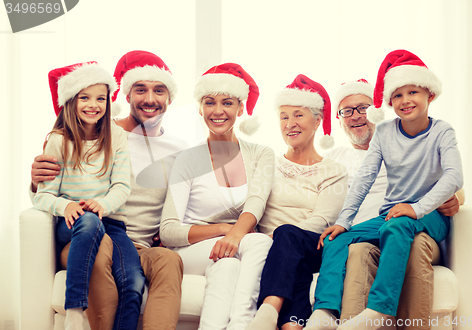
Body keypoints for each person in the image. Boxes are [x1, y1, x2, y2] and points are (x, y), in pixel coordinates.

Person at [307, 49, 464, 330]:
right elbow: (366, 178)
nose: (406, 100)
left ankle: (379, 310)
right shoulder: (384, 133)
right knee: (336, 239)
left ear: (430, 95)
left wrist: (416, 208)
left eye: (413, 92)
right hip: (391, 216)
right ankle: (324, 312)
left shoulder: (442, 131)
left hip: (429, 217)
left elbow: (454, 177)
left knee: (399, 224)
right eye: (398, 95)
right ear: (390, 102)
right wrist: (343, 222)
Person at [30, 50, 188, 330]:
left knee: (168, 260)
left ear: (170, 98)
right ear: (125, 95)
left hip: (137, 244)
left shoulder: (179, 150)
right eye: (140, 89)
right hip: (90, 234)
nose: (150, 99)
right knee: (99, 241)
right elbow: (48, 188)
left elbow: (183, 204)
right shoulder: (100, 131)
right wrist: (35, 182)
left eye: (159, 90)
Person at [160, 63, 275, 330]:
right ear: (200, 109)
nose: (218, 111)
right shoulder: (187, 159)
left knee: (231, 265)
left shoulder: (261, 154)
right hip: (188, 249)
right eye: (210, 102)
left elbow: (256, 201)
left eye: (228, 102)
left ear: (241, 108)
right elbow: (168, 230)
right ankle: (244, 324)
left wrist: (234, 236)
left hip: (231, 249)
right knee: (251, 246)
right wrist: (226, 230)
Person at [33, 62, 133, 330]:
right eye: (84, 98)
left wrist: (102, 204)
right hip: (74, 224)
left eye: (101, 98)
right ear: (70, 101)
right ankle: (75, 309)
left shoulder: (117, 137)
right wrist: (66, 206)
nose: (93, 104)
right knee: (88, 220)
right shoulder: (58, 140)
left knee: (132, 281)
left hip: (111, 222)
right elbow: (42, 197)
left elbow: (122, 186)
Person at [245, 74, 349, 330]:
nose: (290, 123)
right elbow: (252, 204)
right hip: (273, 247)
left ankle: (268, 311)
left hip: (313, 244)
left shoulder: (334, 170)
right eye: (284, 116)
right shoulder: (268, 162)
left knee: (288, 237)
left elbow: (323, 219)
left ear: (317, 121)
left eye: (298, 115)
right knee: (293, 260)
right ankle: (293, 324)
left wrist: (279, 236)